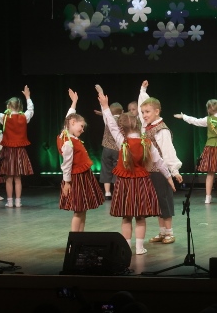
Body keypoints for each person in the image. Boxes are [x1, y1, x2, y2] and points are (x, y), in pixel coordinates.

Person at [97, 87, 174, 255]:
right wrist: (169, 177)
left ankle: (127, 248)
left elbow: (111, 125)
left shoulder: (122, 141)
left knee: (126, 217)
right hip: (141, 183)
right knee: (140, 217)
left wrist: (105, 106)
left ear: (122, 129)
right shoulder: (146, 143)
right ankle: (139, 248)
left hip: (125, 184)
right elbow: (160, 162)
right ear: (140, 126)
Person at [138, 80, 183, 244]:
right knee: (156, 201)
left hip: (161, 171)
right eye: (143, 112)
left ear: (157, 112)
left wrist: (174, 170)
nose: (144, 115)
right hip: (149, 171)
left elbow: (168, 151)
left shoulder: (161, 130)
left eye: (147, 112)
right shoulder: (147, 126)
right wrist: (143, 90)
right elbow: (143, 105)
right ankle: (162, 232)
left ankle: (169, 232)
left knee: (164, 200)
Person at [58, 88, 104, 232]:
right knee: (78, 210)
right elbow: (66, 164)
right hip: (76, 178)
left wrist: (74, 102)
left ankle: (81, 236)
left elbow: (69, 117)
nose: (82, 130)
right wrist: (67, 182)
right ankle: (75, 237)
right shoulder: (67, 142)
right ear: (73, 123)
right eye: (81, 126)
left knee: (83, 209)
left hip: (83, 176)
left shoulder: (68, 133)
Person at [0, 85, 35, 208]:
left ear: (8, 106)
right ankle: (18, 201)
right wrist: (28, 97)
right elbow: (31, 110)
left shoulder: (4, 118)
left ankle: (10, 201)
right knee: (18, 178)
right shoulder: (24, 117)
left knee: (9, 178)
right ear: (20, 107)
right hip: (19, 151)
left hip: (8, 151)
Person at [96, 101, 123, 201]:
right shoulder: (123, 120)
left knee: (106, 168)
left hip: (106, 148)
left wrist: (103, 112)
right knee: (117, 169)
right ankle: (116, 192)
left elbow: (106, 113)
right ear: (122, 112)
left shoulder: (108, 119)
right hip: (117, 149)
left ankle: (107, 193)